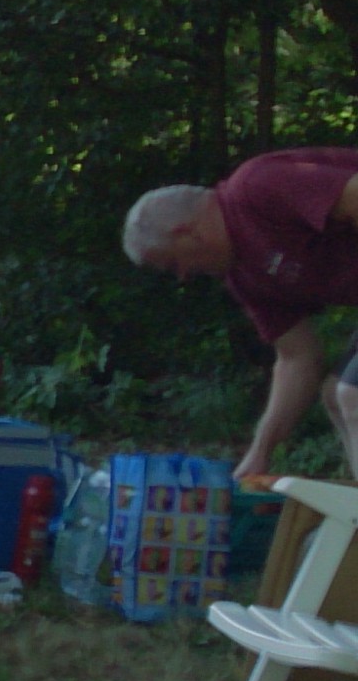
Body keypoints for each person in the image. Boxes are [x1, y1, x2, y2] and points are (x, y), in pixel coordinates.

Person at [124, 151, 358, 482]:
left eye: (173, 265)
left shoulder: (258, 187)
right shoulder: (244, 275)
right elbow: (297, 358)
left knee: (354, 395)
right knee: (336, 395)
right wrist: (260, 452)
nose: (183, 277)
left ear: (186, 232)